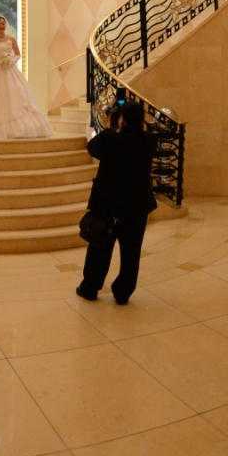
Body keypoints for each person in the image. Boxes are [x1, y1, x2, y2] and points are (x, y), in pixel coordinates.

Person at [76, 101, 157, 305]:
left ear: (122, 119)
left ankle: (90, 287)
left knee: (99, 250)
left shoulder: (109, 138)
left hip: (108, 206)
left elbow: (92, 148)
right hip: (137, 208)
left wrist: (111, 128)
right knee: (131, 253)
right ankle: (123, 292)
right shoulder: (149, 141)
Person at [0, 15, 53, 139]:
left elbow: (18, 54)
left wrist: (10, 61)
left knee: (15, 93)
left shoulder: (11, 39)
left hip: (10, 69)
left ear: (6, 25)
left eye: (3, 24)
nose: (1, 26)